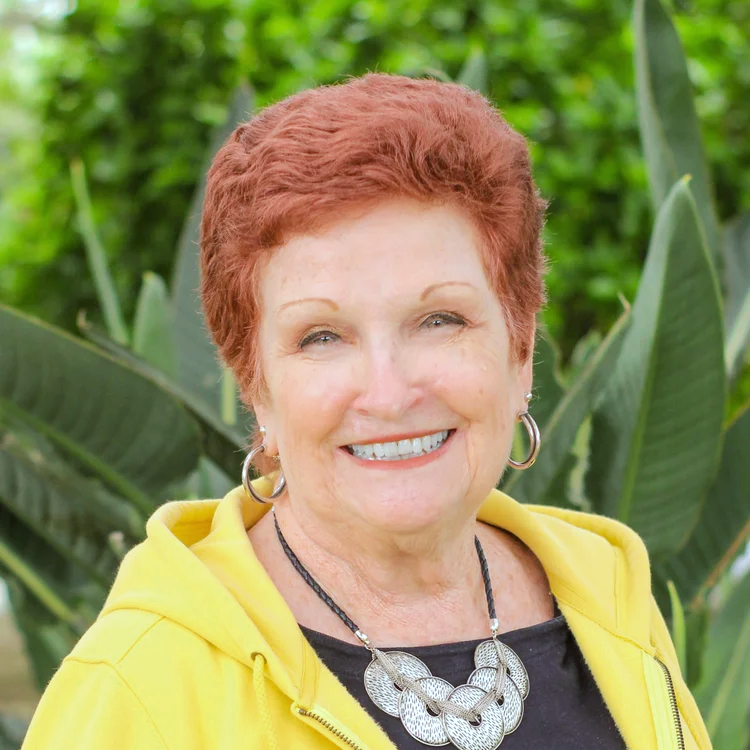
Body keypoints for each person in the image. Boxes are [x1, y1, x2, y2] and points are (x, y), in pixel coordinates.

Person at [22, 73, 711, 750]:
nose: (388, 393)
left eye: (440, 320)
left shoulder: (606, 594)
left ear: (521, 349)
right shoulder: (139, 684)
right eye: (322, 337)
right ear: (255, 385)